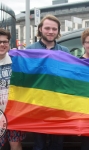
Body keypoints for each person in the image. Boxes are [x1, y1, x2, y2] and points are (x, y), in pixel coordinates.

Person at [26, 14, 69, 150]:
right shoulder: (30, 50)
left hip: (58, 104)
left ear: (58, 31)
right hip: (38, 104)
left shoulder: (65, 51)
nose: (51, 32)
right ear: (40, 29)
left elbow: (69, 77)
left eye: (54, 29)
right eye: (47, 28)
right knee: (39, 144)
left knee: (57, 144)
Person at [0, 28, 26, 150]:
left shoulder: (16, 59)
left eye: (5, 42)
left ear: (9, 43)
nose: (2, 44)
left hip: (13, 112)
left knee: (15, 145)